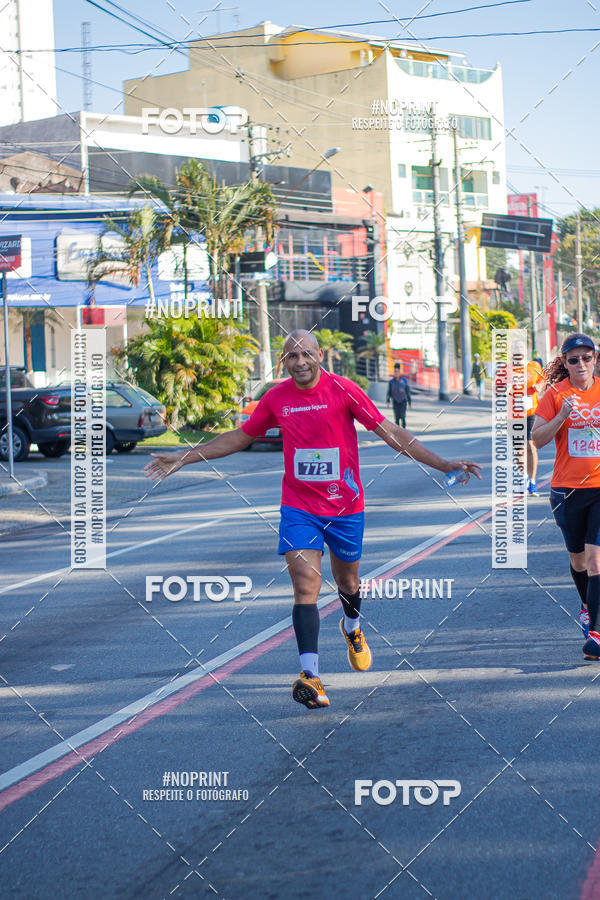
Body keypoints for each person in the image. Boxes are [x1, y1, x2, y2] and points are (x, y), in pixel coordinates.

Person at [145, 330, 482, 709]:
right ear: (283, 362)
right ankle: (311, 676)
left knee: (348, 582)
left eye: (306, 354)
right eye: (292, 356)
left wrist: (441, 464)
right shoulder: (276, 398)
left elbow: (390, 432)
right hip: (299, 506)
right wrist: (184, 457)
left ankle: (352, 627)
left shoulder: (344, 390)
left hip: (345, 507)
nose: (300, 362)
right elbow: (240, 437)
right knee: (306, 585)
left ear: (320, 356)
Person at [532, 333, 600, 655]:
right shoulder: (555, 395)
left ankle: (596, 634)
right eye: (574, 360)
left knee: (596, 560)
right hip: (567, 490)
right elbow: (537, 439)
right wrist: (562, 416)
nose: (581, 364)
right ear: (565, 363)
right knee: (578, 560)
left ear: (595, 359)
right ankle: (586, 603)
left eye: (587, 358)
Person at [526, 358, 545, 496]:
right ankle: (523, 478)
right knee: (518, 449)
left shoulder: (534, 366)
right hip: (513, 413)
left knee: (530, 446)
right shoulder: (507, 369)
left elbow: (544, 380)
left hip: (531, 411)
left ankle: (532, 482)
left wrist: (539, 386)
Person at [386, 362, 412, 428]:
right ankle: (398, 431)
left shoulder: (404, 381)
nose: (396, 373)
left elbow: (407, 391)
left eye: (397, 372)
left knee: (402, 416)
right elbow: (389, 392)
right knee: (397, 417)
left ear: (400, 372)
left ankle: (404, 429)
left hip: (403, 401)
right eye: (395, 372)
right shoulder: (391, 382)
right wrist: (388, 401)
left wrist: (409, 402)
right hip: (395, 401)